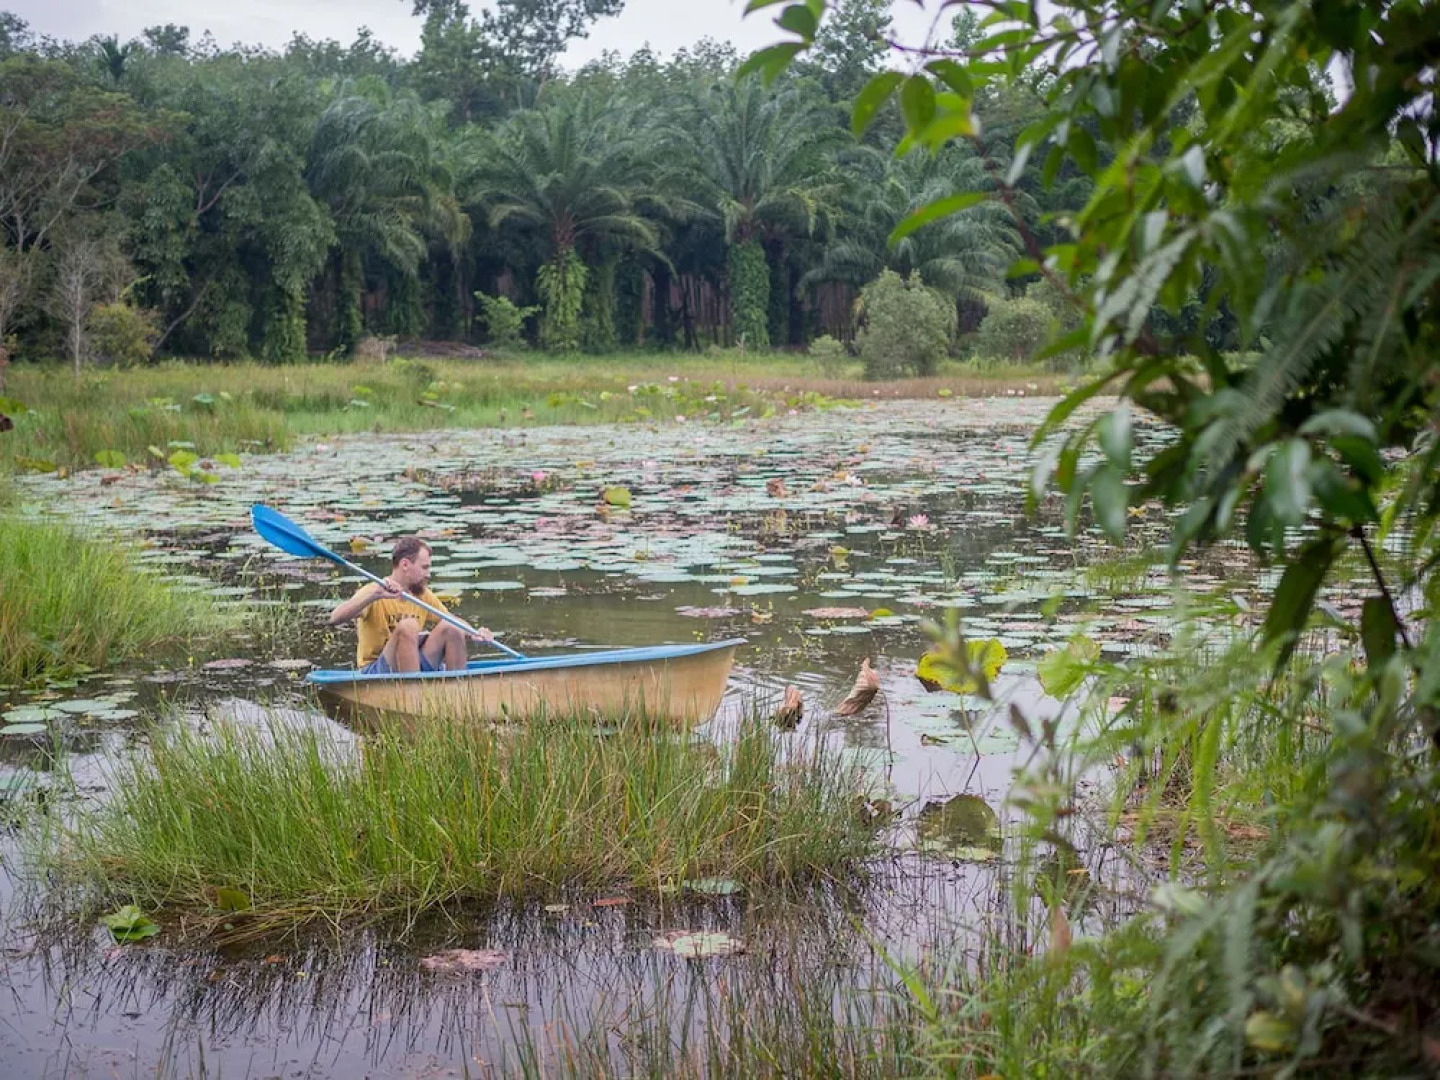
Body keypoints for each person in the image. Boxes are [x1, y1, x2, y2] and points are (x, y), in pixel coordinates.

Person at [328, 536, 492, 674]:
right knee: (408, 626)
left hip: (412, 663)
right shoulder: (374, 590)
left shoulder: (421, 594)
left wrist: (474, 633)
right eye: (424, 568)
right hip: (377, 670)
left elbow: (451, 619)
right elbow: (335, 618)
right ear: (405, 564)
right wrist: (373, 596)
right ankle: (413, 696)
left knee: (452, 627)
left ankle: (458, 692)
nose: (428, 574)